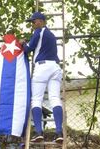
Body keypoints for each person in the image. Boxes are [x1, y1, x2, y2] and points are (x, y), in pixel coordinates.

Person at [19, 11, 64, 143]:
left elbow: (28, 49)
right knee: (55, 98)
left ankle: (39, 132)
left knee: (36, 100)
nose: (32, 24)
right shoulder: (51, 34)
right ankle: (59, 132)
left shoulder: (39, 32)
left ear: (40, 21)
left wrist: (23, 43)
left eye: (33, 21)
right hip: (55, 67)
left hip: (42, 67)